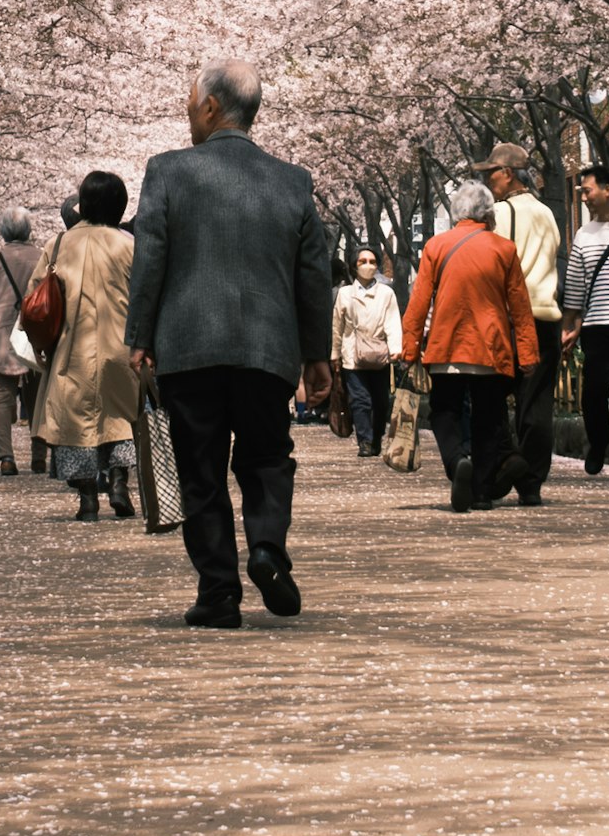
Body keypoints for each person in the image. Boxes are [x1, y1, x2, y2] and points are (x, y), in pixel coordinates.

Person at [126, 60, 338, 627]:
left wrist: (139, 338)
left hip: (189, 348)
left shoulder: (167, 171)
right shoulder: (292, 180)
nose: (187, 112)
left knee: (201, 468)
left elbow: (150, 260)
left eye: (190, 102)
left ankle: (219, 592)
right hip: (268, 349)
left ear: (212, 107)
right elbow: (313, 274)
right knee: (267, 458)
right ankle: (267, 549)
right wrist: (317, 354)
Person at [406, 180, 536, 511]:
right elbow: (519, 306)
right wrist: (529, 353)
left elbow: (419, 301)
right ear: (488, 212)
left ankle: (455, 461)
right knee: (489, 419)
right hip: (491, 347)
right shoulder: (504, 249)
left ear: (456, 212)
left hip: (447, 344)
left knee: (445, 411)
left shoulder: (436, 246)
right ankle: (480, 492)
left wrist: (409, 349)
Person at [33, 172, 142, 521]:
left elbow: (35, 298)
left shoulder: (59, 245)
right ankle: (120, 482)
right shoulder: (129, 246)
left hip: (71, 350)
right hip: (121, 349)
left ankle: (88, 499)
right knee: (121, 418)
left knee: (76, 422)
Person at [485, 142, 567, 502]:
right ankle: (532, 482)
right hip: (546, 315)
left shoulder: (502, 214)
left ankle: (506, 461)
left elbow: (491, 261)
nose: (488, 181)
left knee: (490, 397)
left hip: (510, 316)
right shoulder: (547, 213)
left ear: (507, 173)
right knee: (537, 403)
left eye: (491, 173)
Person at [566, 167, 609, 478]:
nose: (583, 197)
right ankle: (599, 443)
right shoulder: (583, 234)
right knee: (593, 392)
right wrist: (570, 326)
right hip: (595, 326)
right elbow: (575, 286)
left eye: (587, 190)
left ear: (608, 190)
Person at [0, 210, 46, 475]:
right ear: (29, 230)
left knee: (0, 396)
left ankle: (6, 458)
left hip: (1, 335)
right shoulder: (43, 257)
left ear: (3, 231)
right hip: (35, 334)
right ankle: (39, 457)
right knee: (37, 398)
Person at [331, 252, 402, 461]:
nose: (367, 266)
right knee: (360, 400)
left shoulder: (387, 293)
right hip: (352, 354)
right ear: (354, 266)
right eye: (362, 262)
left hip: (379, 354)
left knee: (380, 402)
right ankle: (364, 441)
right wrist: (335, 355)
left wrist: (396, 347)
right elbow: (337, 326)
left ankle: (377, 437)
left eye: (372, 262)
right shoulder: (345, 294)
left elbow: (393, 322)